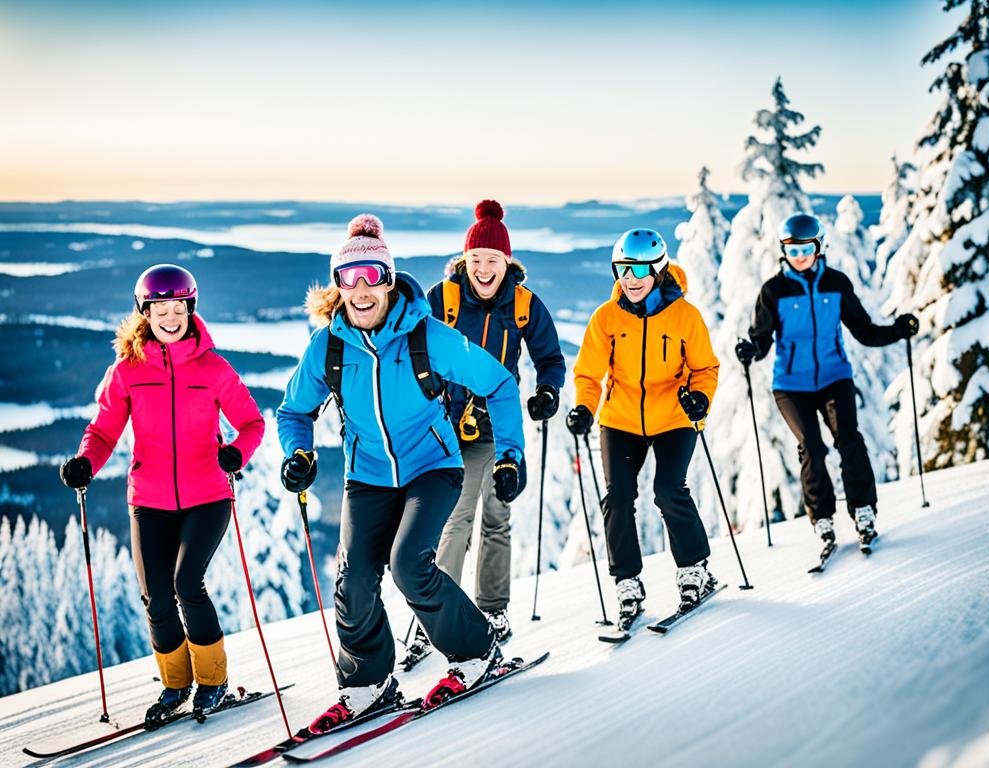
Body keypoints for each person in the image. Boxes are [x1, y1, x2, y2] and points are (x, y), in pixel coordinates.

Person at [276, 214, 527, 733]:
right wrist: (299, 453)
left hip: (432, 467)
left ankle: (477, 651)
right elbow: (293, 412)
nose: (362, 289)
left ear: (389, 279)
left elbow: (499, 383)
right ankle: (369, 681)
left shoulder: (426, 336)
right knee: (354, 578)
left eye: (372, 275)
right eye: (350, 278)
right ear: (338, 286)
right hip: (366, 475)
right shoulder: (329, 347)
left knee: (410, 563)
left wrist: (510, 455)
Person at [59, 264, 265, 724]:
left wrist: (235, 453)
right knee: (155, 595)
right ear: (144, 313)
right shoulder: (127, 371)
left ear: (190, 310)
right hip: (148, 499)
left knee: (187, 583)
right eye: (160, 309)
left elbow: (252, 423)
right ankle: (176, 684)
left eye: (178, 308)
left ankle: (213, 680)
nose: (170, 317)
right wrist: (86, 462)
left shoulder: (212, 367)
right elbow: (104, 430)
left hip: (208, 495)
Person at [394, 200, 564, 664]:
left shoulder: (524, 305)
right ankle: (438, 615)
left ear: (507, 262)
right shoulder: (442, 298)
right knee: (456, 518)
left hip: (493, 423)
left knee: (497, 515)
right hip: (443, 427)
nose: (483, 269)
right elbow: (408, 342)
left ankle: (492, 610)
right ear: (464, 261)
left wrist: (547, 392)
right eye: (475, 260)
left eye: (492, 261)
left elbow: (550, 358)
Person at [735, 213, 919, 552]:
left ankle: (863, 510)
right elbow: (761, 340)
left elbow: (864, 331)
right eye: (792, 250)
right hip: (791, 385)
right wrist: (751, 350)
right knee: (812, 448)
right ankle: (823, 520)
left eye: (806, 248)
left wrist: (897, 329)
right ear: (783, 251)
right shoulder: (773, 291)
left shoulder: (836, 284)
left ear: (819, 247)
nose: (799, 256)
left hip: (835, 377)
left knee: (849, 439)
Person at [567, 228, 720, 629]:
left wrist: (700, 398)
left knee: (668, 490)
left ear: (658, 268)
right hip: (620, 419)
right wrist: (584, 408)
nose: (629, 279)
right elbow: (588, 374)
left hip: (673, 416)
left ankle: (694, 569)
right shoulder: (606, 318)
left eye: (637, 269)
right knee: (617, 497)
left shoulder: (686, 316)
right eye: (621, 269)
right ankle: (628, 582)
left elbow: (706, 369)